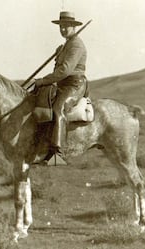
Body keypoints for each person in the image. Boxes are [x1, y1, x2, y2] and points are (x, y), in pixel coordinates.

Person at [34, 11, 88, 159]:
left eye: (66, 26)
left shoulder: (76, 45)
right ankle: (41, 146)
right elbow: (58, 71)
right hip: (62, 83)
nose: (63, 29)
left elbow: (65, 70)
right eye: (61, 26)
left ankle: (57, 153)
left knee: (58, 109)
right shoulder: (65, 45)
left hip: (74, 84)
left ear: (73, 27)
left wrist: (44, 81)